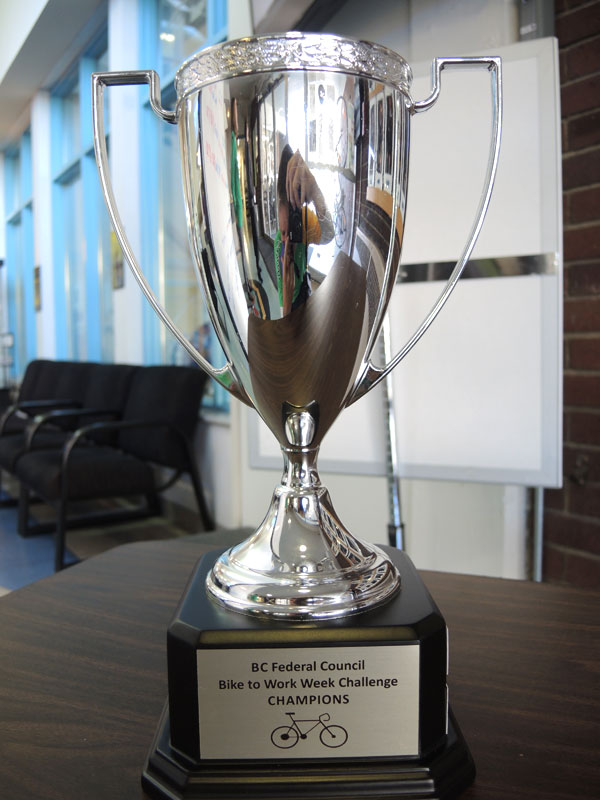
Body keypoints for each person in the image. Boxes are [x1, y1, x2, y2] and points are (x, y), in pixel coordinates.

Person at [274, 145, 333, 315]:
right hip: (291, 304)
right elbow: (283, 312)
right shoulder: (280, 245)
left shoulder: (304, 220)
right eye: (284, 232)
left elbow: (329, 234)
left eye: (294, 223)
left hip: (304, 292)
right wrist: (286, 296)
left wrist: (314, 189)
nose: (288, 238)